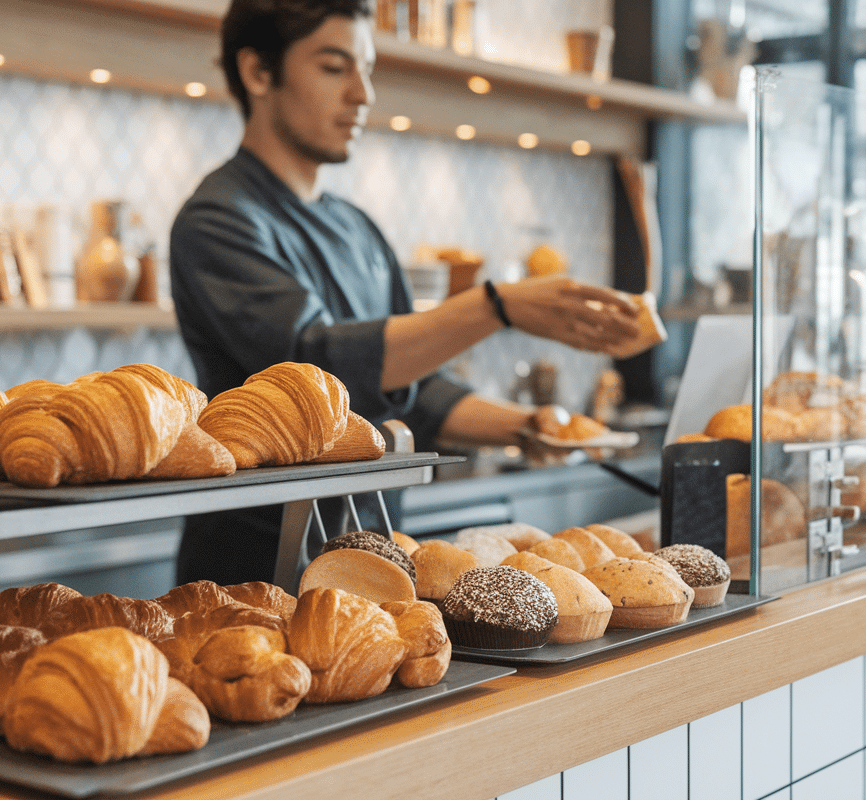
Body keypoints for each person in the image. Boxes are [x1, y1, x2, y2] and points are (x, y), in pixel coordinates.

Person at [168, 0, 642, 585]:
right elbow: (316, 364)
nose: (363, 94)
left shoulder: (357, 227)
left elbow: (406, 388)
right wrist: (497, 306)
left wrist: (527, 426)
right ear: (258, 72)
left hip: (372, 556)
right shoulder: (218, 220)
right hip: (256, 565)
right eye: (335, 67)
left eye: (368, 69)